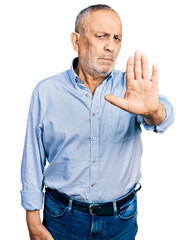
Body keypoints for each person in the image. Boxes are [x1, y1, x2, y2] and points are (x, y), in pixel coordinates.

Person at [20, 4, 174, 240]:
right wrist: (32, 220)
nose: (111, 46)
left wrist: (153, 112)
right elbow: (33, 157)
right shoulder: (46, 92)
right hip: (62, 218)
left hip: (120, 220)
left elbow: (163, 116)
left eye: (117, 38)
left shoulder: (131, 88)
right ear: (76, 41)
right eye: (101, 36)